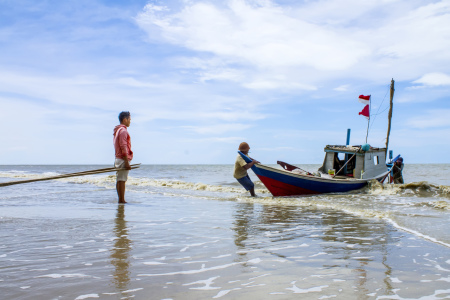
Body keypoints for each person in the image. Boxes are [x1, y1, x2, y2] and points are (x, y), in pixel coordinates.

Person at [113, 111, 133, 203]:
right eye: (129, 119)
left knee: (120, 180)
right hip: (122, 159)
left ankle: (120, 199)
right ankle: (122, 200)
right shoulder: (123, 131)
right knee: (122, 180)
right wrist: (126, 162)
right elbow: (123, 146)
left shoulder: (118, 130)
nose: (130, 121)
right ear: (125, 119)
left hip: (118, 158)